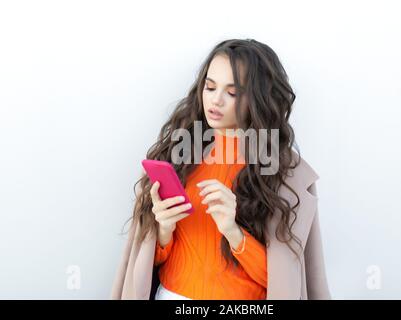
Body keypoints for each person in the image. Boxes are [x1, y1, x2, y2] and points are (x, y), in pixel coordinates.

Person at [111, 39, 331, 300]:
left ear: (259, 98)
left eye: (232, 92)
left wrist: (233, 232)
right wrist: (163, 232)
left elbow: (284, 282)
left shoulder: (284, 173)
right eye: (210, 86)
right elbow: (150, 263)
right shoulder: (178, 155)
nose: (215, 100)